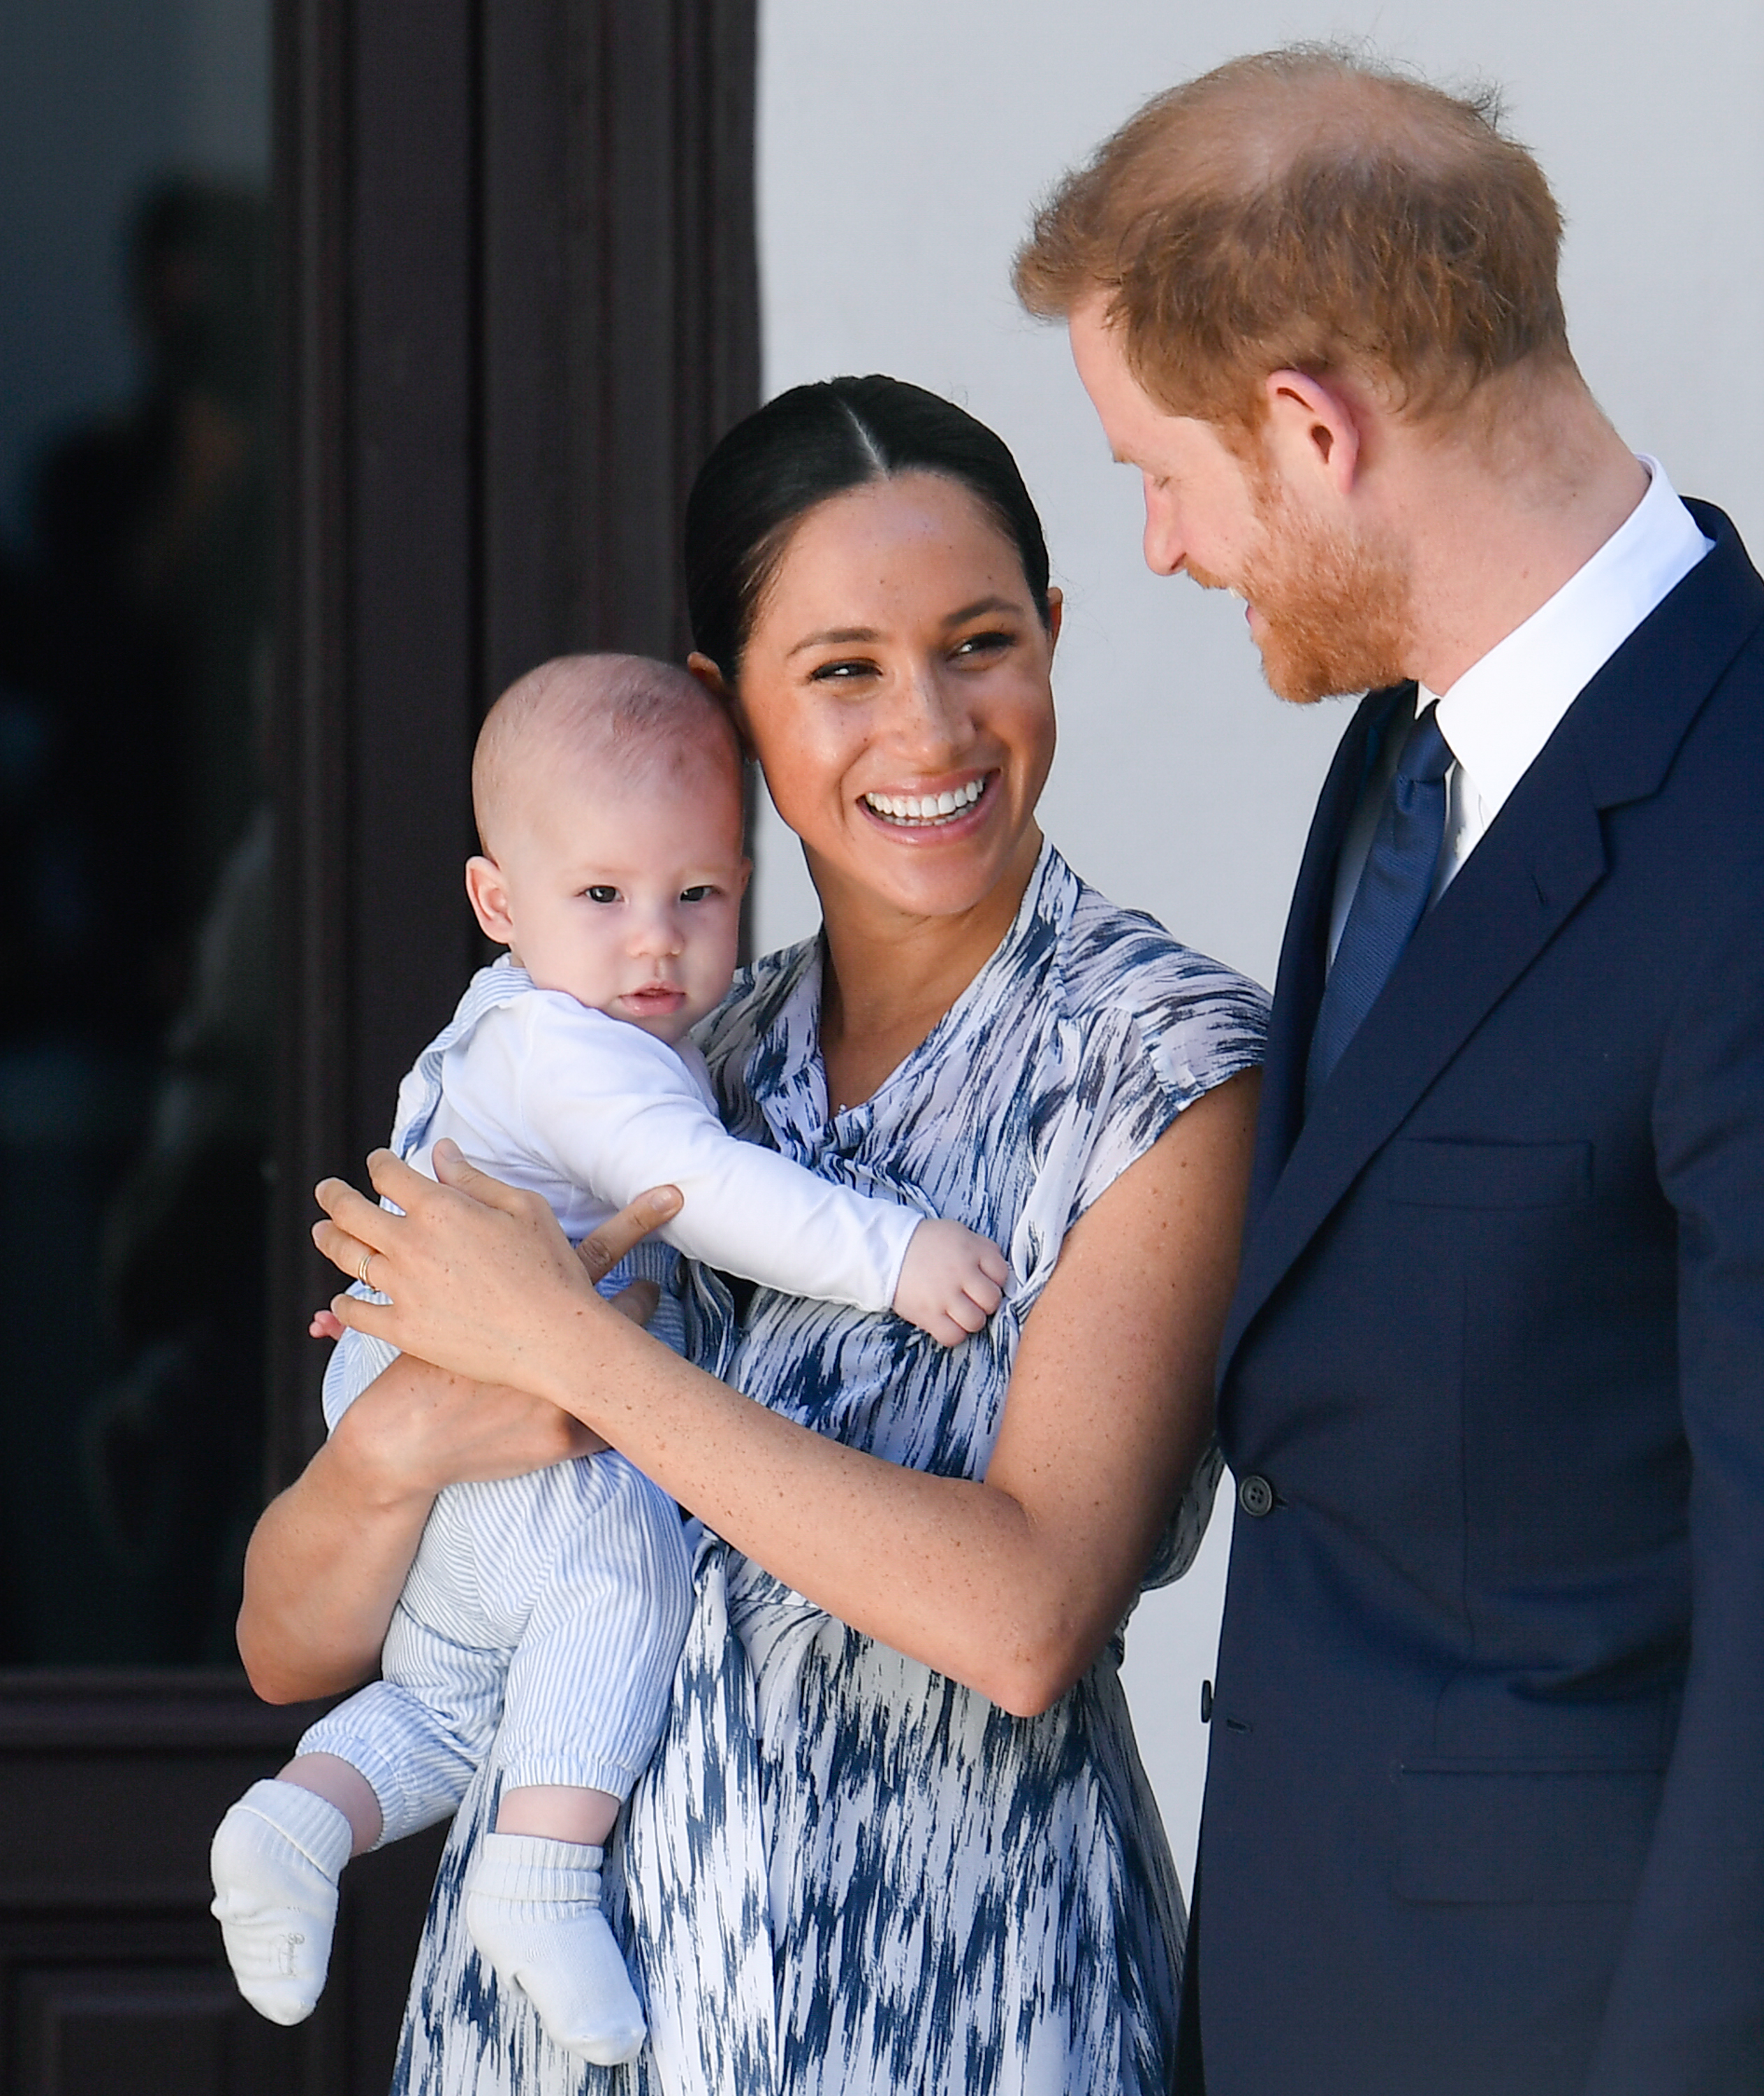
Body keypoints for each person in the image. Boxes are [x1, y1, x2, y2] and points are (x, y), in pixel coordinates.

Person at [244, 374, 1267, 2095]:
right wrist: (409, 1429)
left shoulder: (1157, 1062)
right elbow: (294, 1641)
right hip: (565, 2034)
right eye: (844, 668)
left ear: (1055, 637)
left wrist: (567, 1350)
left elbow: (1026, 1619)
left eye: (982, 643)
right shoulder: (657, 1060)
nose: (931, 729)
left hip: (948, 2004)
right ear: (729, 712)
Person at [1014, 45, 1764, 2096]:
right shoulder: (1393, 764)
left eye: (1152, 473)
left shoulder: (1741, 822)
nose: (1160, 548)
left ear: (1306, 427)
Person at [211, 651, 1007, 2062]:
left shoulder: (531, 1023)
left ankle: (297, 1818)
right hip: (495, 1410)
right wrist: (897, 1258)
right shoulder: (578, 1055)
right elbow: (700, 1188)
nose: (658, 943)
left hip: (448, 1424)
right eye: (603, 898)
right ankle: (541, 1875)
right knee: (624, 1563)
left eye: (698, 895)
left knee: (452, 1696)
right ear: (499, 904)